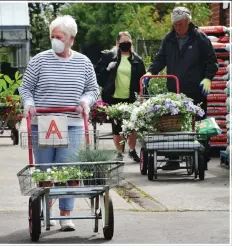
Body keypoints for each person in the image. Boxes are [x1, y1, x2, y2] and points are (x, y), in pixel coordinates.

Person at [19, 15, 99, 231]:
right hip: (44, 122)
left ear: (71, 39)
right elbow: (25, 88)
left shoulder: (83, 62)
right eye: (52, 36)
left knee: (68, 170)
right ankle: (46, 212)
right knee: (45, 170)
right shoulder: (39, 60)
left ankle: (66, 215)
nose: (55, 40)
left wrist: (85, 101)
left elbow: (93, 89)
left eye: (59, 37)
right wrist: (28, 102)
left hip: (73, 123)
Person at [144, 7, 218, 170]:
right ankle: (174, 159)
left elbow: (211, 61)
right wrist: (151, 72)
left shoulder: (200, 38)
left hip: (195, 90)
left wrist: (207, 78)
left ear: (188, 22)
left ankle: (201, 158)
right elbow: (160, 59)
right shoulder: (169, 39)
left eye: (181, 24)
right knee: (174, 125)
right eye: (175, 24)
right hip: (175, 90)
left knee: (198, 124)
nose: (177, 28)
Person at [95, 31, 146, 162]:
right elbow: (99, 77)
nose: (125, 45)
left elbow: (143, 79)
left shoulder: (137, 60)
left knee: (132, 124)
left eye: (128, 42)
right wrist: (107, 69)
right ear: (117, 43)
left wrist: (142, 96)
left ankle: (132, 150)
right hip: (114, 97)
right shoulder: (109, 58)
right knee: (117, 126)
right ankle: (119, 152)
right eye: (122, 42)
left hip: (131, 97)